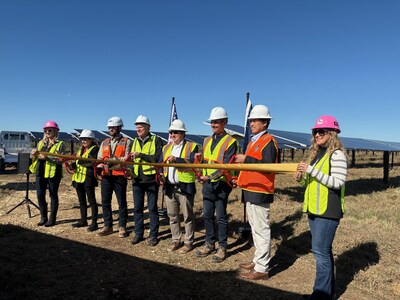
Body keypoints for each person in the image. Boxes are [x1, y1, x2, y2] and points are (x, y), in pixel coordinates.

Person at [296, 115, 348, 300]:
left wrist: (311, 171)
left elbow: (338, 182)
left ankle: (320, 296)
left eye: (321, 131)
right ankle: (327, 294)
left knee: (321, 252)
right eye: (315, 131)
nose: (317, 134)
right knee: (322, 252)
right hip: (315, 210)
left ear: (332, 133)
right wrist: (302, 178)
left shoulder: (337, 155)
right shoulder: (318, 155)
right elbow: (313, 184)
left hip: (328, 211)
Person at [235, 104, 278, 280]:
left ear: (265, 123)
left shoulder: (268, 141)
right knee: (255, 228)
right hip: (250, 188)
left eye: (255, 120)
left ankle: (262, 268)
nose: (252, 123)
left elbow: (268, 166)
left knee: (261, 229)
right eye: (251, 120)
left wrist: (246, 159)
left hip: (260, 190)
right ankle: (257, 259)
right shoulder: (254, 140)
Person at [196, 107, 238, 263]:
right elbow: (205, 162)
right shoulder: (206, 140)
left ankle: (222, 246)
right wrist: (199, 160)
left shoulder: (231, 141)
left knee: (220, 217)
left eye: (217, 122)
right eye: (212, 122)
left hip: (221, 184)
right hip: (207, 184)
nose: (214, 124)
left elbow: (226, 166)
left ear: (225, 122)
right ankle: (209, 243)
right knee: (207, 215)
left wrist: (210, 177)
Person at [161, 119, 199, 254]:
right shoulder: (166, 148)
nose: (172, 135)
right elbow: (161, 165)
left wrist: (176, 160)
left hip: (184, 187)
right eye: (171, 132)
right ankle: (176, 240)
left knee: (187, 216)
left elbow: (193, 162)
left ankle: (188, 242)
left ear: (183, 133)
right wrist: (160, 176)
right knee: (172, 216)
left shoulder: (191, 147)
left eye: (175, 132)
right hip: (169, 187)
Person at [130, 115, 163, 246]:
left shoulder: (156, 140)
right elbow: (131, 160)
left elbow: (157, 159)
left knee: (152, 208)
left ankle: (153, 235)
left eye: (141, 126)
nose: (138, 129)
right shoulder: (134, 141)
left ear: (148, 127)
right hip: (137, 179)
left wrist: (141, 155)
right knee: (137, 208)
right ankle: (138, 234)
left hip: (151, 180)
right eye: (137, 126)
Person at [97, 117, 132, 238]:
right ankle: (108, 226)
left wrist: (115, 160)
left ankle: (122, 226)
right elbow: (100, 157)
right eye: (109, 127)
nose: (110, 129)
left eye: (113, 127)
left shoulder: (127, 141)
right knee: (105, 202)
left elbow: (127, 159)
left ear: (119, 127)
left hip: (119, 176)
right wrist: (100, 163)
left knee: (121, 203)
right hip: (106, 176)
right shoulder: (104, 142)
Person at [30, 120, 66, 227]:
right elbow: (35, 156)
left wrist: (47, 157)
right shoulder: (40, 143)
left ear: (55, 131)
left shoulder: (60, 144)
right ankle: (43, 217)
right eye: (45, 130)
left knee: (53, 195)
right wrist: (33, 154)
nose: (47, 132)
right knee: (40, 195)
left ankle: (52, 219)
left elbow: (60, 159)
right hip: (40, 172)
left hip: (53, 173)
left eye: (49, 130)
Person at [69, 129, 100, 232]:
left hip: (88, 178)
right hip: (78, 177)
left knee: (92, 201)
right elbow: (78, 162)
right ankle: (83, 220)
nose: (83, 141)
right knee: (81, 201)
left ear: (91, 139)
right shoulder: (81, 150)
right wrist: (72, 164)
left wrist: (79, 159)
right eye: (82, 139)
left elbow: (91, 162)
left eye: (85, 139)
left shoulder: (95, 149)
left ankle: (94, 222)